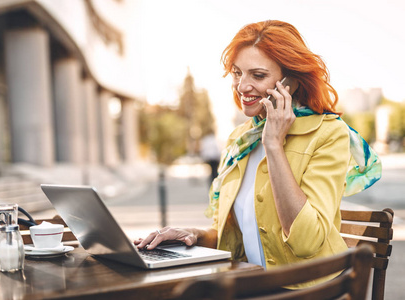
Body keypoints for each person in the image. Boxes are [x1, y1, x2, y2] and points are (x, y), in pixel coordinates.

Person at [134, 20, 382, 288]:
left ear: (291, 83)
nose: (242, 86)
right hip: (255, 284)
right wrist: (192, 234)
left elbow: (307, 242)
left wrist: (274, 145)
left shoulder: (328, 134)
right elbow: (236, 238)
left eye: (258, 75)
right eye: (238, 73)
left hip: (311, 290)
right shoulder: (239, 140)